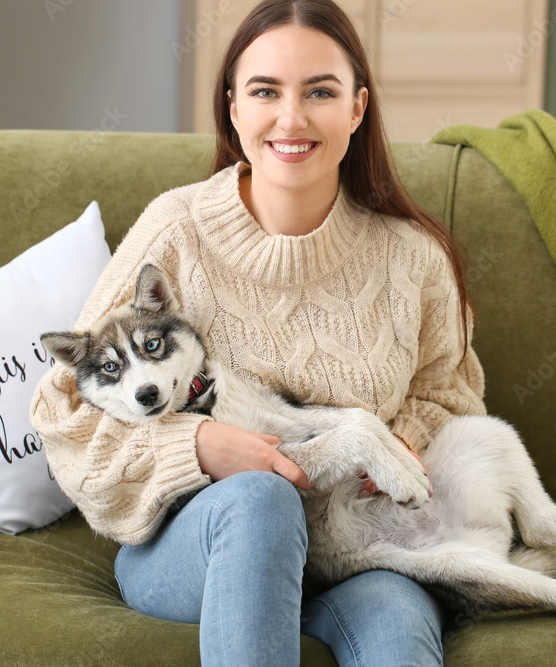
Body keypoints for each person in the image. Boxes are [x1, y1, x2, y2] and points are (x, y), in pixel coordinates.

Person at [30, 0, 486, 664]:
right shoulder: (177, 230)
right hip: (195, 543)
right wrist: (198, 444)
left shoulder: (413, 257)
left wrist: (404, 439)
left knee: (398, 631)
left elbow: (453, 395)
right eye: (266, 91)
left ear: (357, 108)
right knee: (262, 499)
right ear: (234, 108)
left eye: (320, 92)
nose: (291, 118)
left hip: (352, 549)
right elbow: (62, 410)